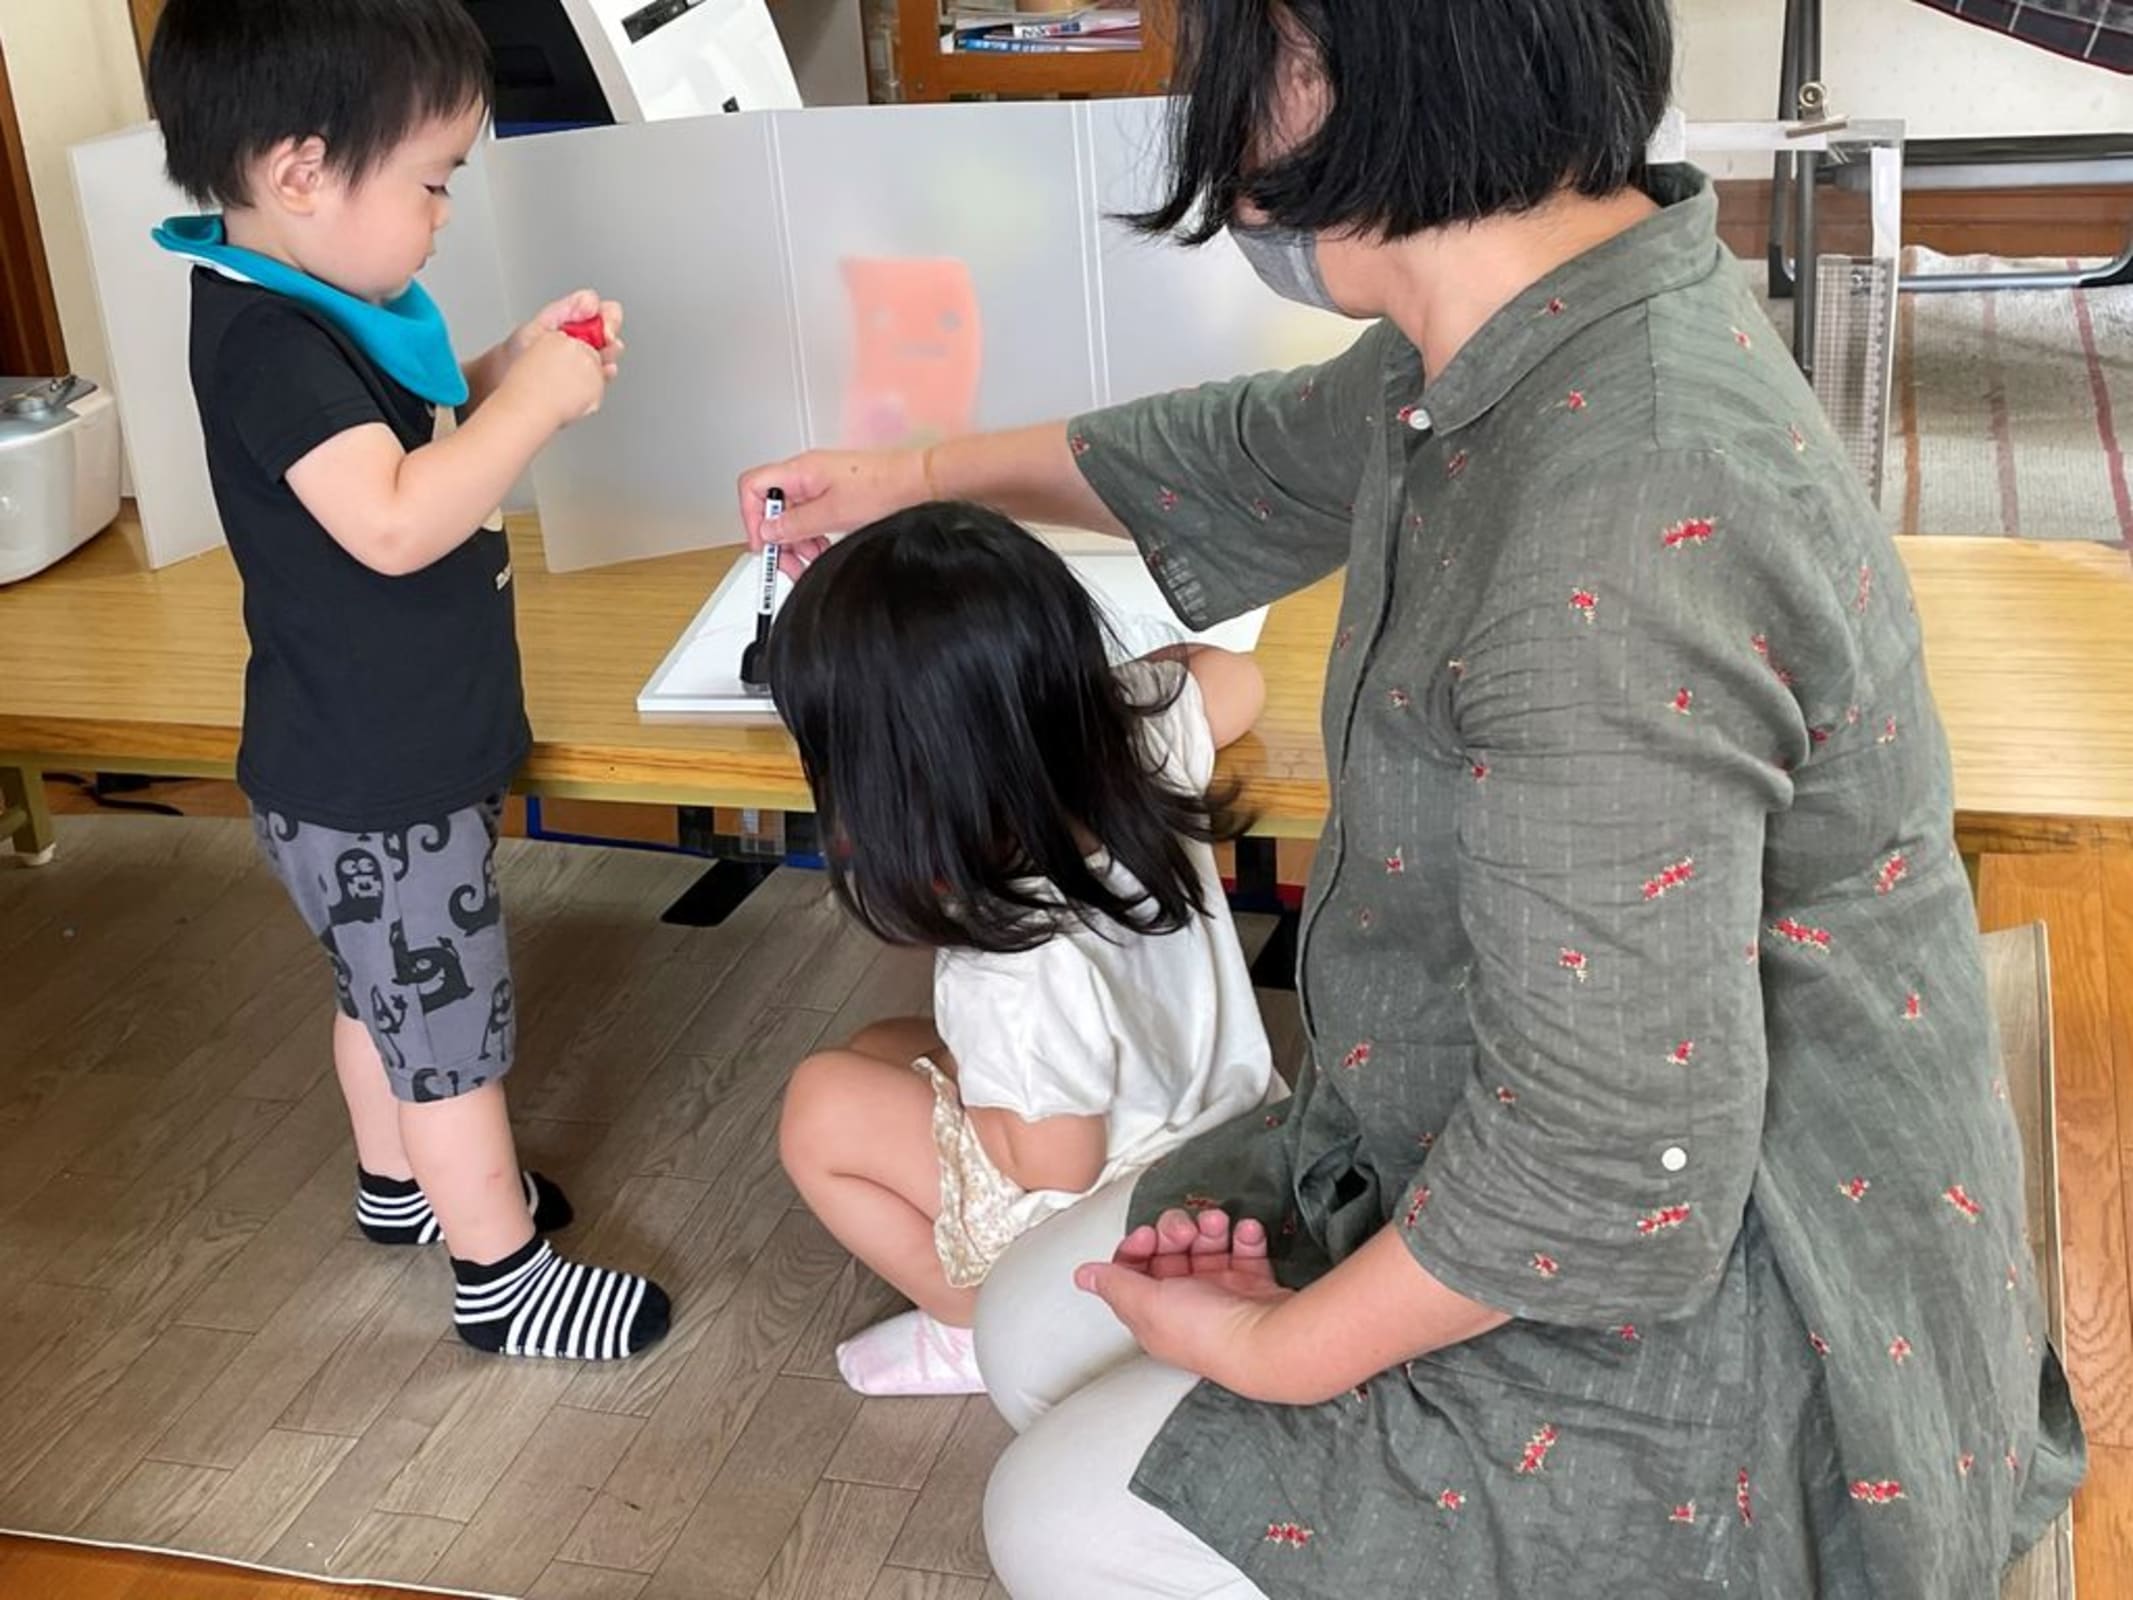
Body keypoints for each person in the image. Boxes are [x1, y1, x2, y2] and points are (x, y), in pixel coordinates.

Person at [738, 0, 2086, 1592]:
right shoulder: (1517, 331)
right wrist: (906, 477)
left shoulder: (1622, 524)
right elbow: (1242, 454)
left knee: (1050, 1509)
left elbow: (1607, 1168)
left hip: (1736, 1285)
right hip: (1489, 1109)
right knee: (1038, 1326)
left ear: (1324, 66)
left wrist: (1278, 1345)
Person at [148, 0, 669, 1362]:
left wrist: (511, 367)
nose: (445, 211)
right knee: (448, 1034)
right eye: (432, 180)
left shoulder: (302, 302)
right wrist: (535, 406)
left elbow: (410, 435)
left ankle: (399, 1188)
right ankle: (502, 1274)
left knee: (377, 997)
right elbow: (390, 518)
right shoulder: (271, 347)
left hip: (353, 760)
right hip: (374, 780)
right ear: (302, 172)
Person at [768, 504, 1277, 1396]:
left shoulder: (1010, 971)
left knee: (822, 1110)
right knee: (879, 1049)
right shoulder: (1133, 746)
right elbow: (1236, 678)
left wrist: (976, 1093)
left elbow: (1054, 1163)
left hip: (1116, 1217)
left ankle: (979, 1328)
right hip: (1230, 1131)